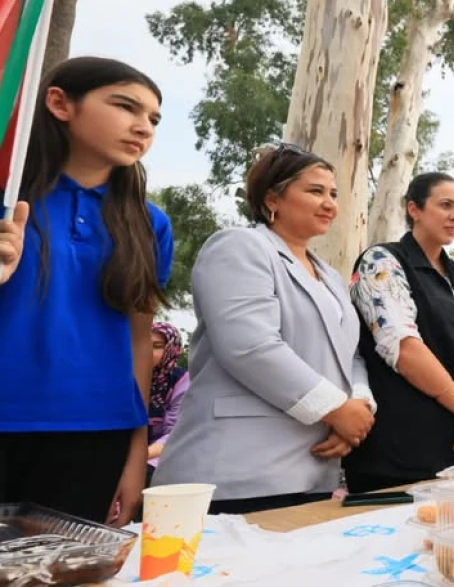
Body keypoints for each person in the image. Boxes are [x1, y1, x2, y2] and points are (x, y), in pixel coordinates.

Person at [153, 144, 376, 514]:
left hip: (313, 470)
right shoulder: (240, 247)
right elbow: (250, 347)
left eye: (333, 194)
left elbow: (350, 353)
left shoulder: (332, 278)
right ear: (273, 197)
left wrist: (360, 406)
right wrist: (335, 409)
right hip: (236, 471)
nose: (330, 203)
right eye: (315, 191)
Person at [0, 57, 173, 526]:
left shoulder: (149, 224)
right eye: (125, 106)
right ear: (59, 102)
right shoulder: (6, 200)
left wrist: (135, 454)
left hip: (96, 435)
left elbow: (140, 341)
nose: (143, 127)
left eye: (154, 119)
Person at [344, 172, 454, 492]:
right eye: (445, 205)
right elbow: (402, 347)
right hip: (401, 456)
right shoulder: (381, 260)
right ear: (414, 209)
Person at [146, 322, 190, 474]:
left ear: (171, 349)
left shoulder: (180, 381)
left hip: (161, 454)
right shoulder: (124, 377)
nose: (146, 351)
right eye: (142, 344)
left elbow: (175, 433)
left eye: (156, 346)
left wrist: (142, 456)